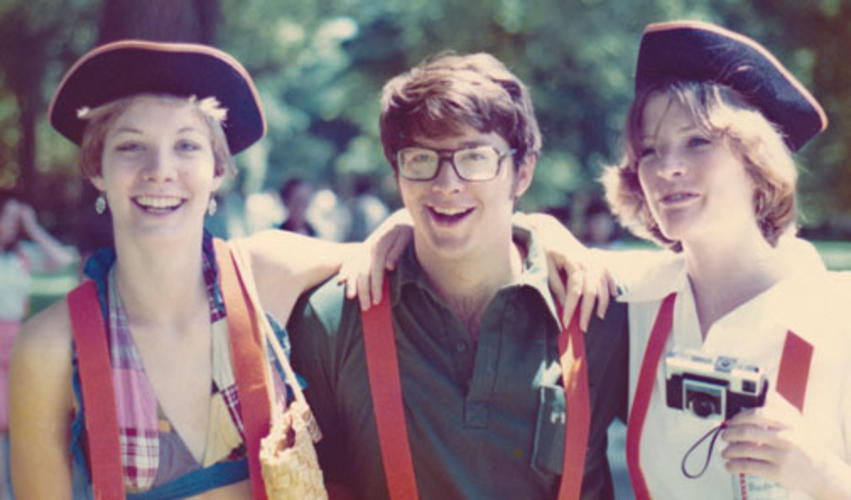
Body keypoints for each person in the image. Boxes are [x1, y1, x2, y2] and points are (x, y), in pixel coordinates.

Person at [8, 40, 403, 499]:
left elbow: (394, 243)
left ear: (217, 169)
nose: (160, 170)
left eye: (187, 146)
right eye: (132, 146)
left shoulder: (266, 271)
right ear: (97, 167)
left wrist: (508, 226)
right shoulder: (51, 347)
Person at [286, 52, 626, 499]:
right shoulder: (334, 318)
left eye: (475, 157)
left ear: (522, 171)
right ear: (398, 173)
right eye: (421, 158)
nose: (446, 183)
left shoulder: (597, 308)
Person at [536, 20, 851, 499]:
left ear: (756, 157)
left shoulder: (837, 316)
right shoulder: (634, 299)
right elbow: (498, 247)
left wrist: (822, 476)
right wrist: (535, 227)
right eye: (649, 151)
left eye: (697, 141)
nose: (667, 168)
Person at [0, 195, 74, 498]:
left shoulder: (22, 255)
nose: (8, 227)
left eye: (12, 222)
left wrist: (31, 227)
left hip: (15, 345)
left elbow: (64, 260)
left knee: (19, 426)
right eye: (6, 219)